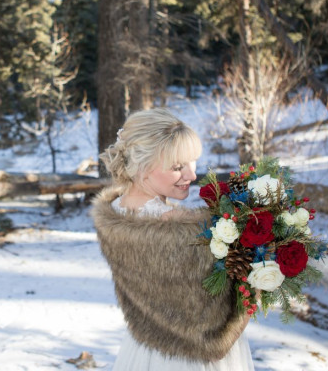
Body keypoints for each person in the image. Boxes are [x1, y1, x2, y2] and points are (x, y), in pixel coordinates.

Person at [92, 108, 254, 371]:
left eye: (192, 163)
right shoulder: (172, 224)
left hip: (144, 346)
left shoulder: (117, 210)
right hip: (190, 357)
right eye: (178, 167)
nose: (191, 176)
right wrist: (257, 274)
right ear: (143, 166)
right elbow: (212, 312)